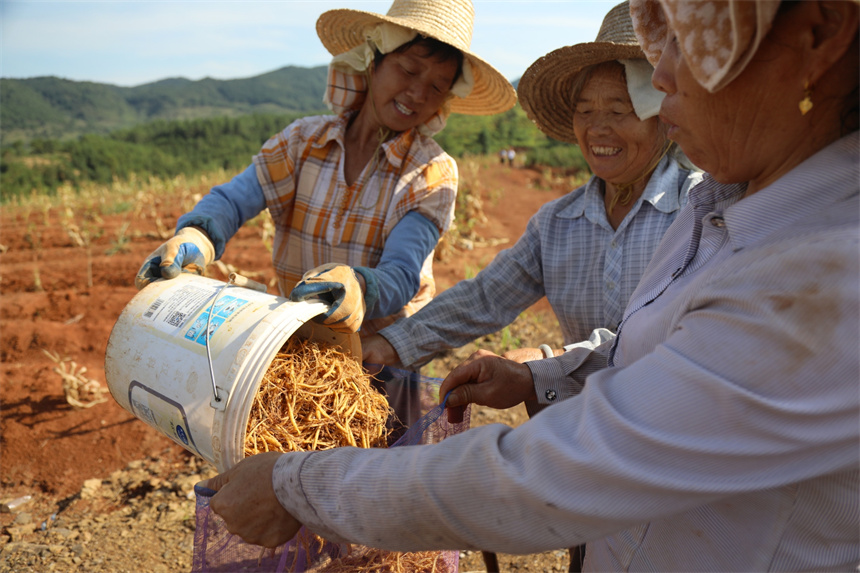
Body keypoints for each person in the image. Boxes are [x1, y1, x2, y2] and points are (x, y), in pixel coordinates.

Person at [201, 0, 859, 571]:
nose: (662, 76)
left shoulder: (824, 275)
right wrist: (531, 376)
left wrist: (297, 486)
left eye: (684, 45)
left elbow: (565, 470)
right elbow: (597, 339)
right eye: (589, 110)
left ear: (820, 33)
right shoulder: (712, 212)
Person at [363, 0, 700, 403]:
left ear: (661, 114)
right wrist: (392, 345)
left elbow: (662, 332)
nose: (598, 128)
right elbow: (485, 297)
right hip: (578, 432)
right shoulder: (558, 223)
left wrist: (543, 366)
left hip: (675, 426)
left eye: (620, 109)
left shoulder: (698, 210)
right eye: (585, 110)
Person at [134, 0, 516, 340]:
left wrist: (359, 285)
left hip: (376, 353)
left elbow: (402, 273)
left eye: (436, 86)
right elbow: (235, 199)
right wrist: (198, 235)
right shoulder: (303, 141)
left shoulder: (430, 172)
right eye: (409, 70)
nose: (418, 94)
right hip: (292, 339)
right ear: (374, 61)